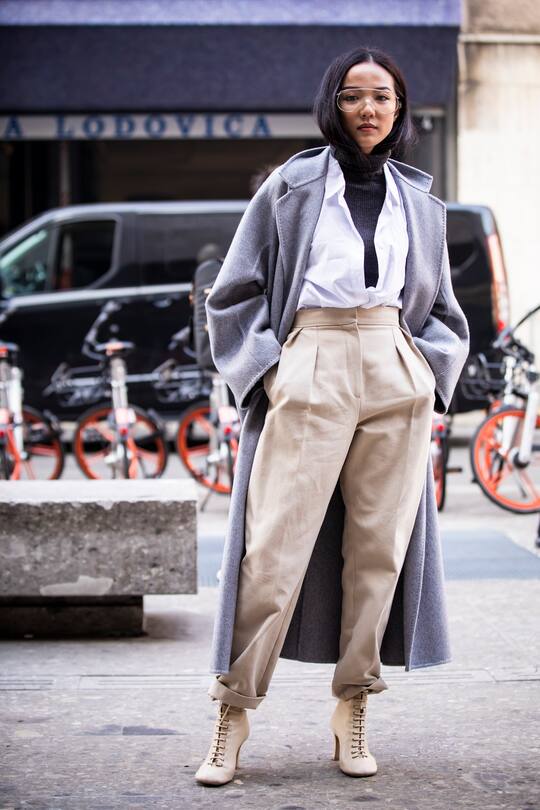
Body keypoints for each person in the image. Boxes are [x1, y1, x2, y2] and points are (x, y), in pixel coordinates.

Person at [195, 46, 470, 786]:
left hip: (393, 364)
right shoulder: (292, 183)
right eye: (355, 96)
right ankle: (233, 713)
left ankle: (353, 709)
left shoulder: (419, 198)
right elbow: (232, 291)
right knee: (273, 552)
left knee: (377, 556)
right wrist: (269, 372)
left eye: (384, 96)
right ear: (333, 105)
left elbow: (441, 306)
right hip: (310, 354)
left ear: (401, 108)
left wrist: (428, 370)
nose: (371, 109)